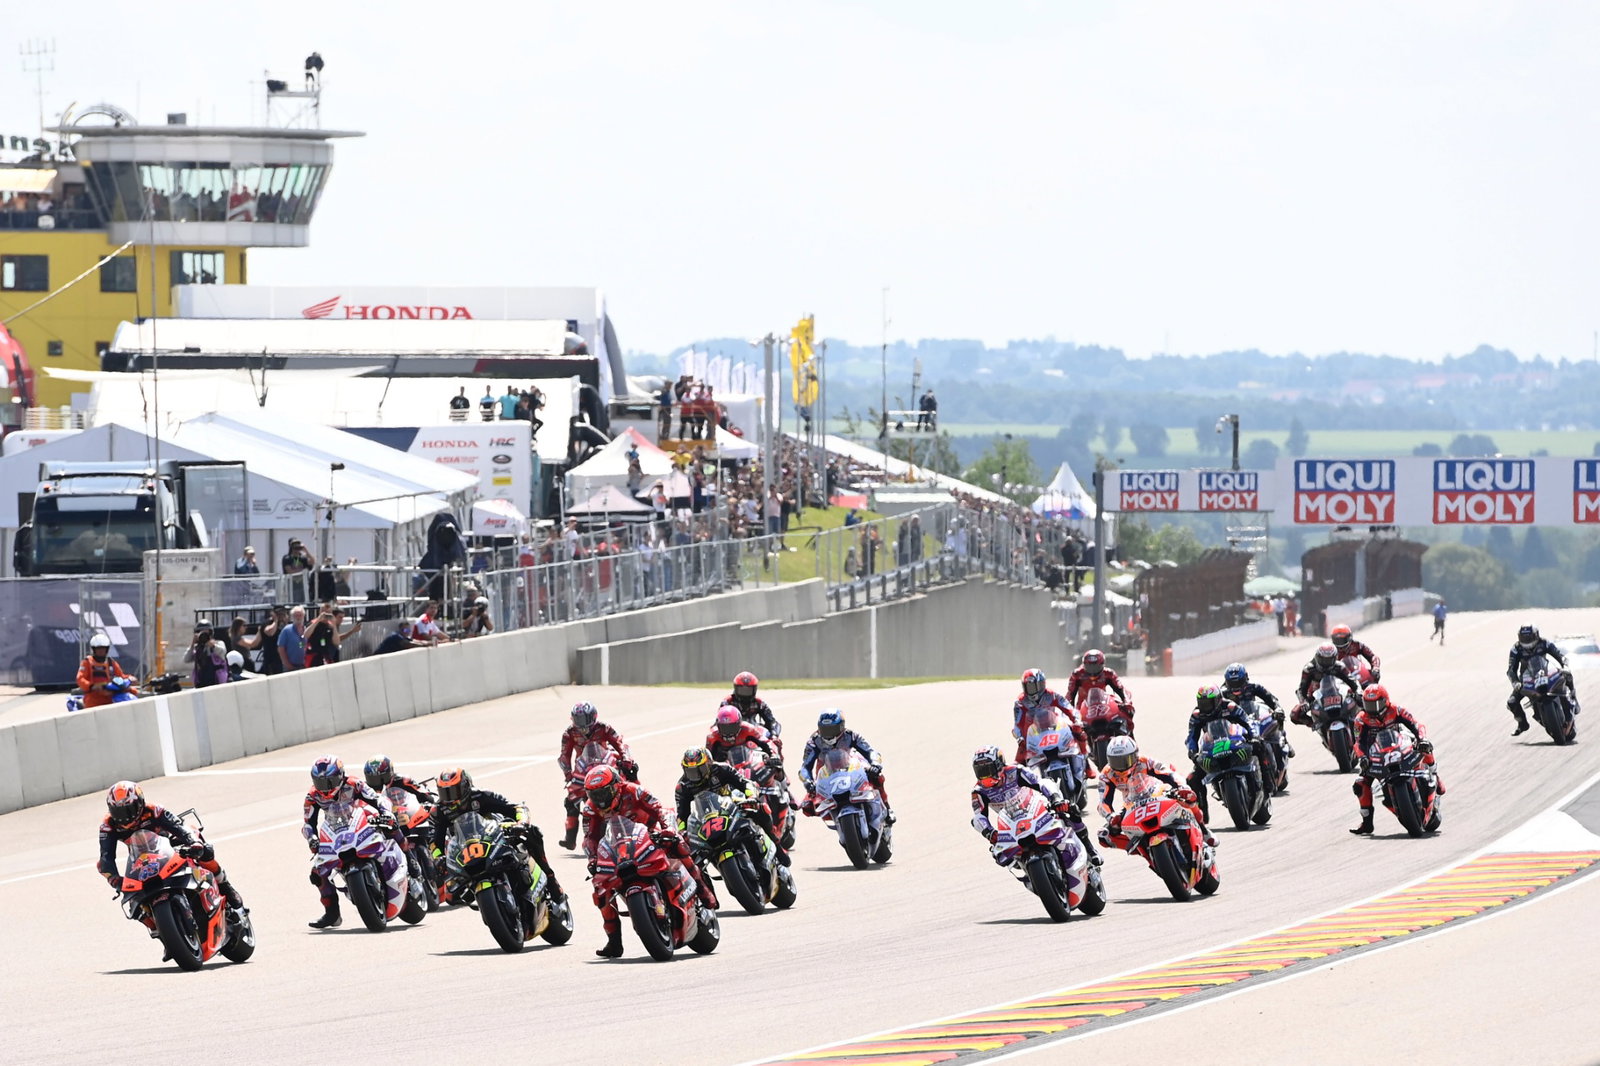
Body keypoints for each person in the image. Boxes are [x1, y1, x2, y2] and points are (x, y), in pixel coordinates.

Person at [582, 764, 718, 958]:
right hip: (619, 848)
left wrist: (668, 829)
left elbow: (660, 809)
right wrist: (592, 859)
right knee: (600, 890)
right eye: (595, 794)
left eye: (605, 792)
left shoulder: (634, 791)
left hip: (651, 834)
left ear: (616, 785)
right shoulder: (590, 809)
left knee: (678, 844)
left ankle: (703, 891)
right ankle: (614, 942)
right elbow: (590, 838)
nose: (600, 799)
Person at [301, 755, 417, 929]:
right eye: (320, 783)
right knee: (317, 873)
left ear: (340, 776)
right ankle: (332, 913)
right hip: (336, 831)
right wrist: (313, 839)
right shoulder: (312, 796)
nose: (325, 788)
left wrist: (386, 812)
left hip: (362, 819)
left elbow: (377, 799)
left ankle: (410, 857)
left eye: (329, 782)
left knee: (390, 825)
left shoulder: (354, 784)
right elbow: (308, 823)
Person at [97, 781, 246, 915]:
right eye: (119, 812)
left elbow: (179, 827)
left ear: (140, 803)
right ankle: (160, 932)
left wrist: (193, 842)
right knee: (133, 903)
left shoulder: (153, 810)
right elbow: (106, 858)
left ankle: (225, 885)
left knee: (201, 844)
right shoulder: (108, 826)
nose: (125, 817)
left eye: (129, 810)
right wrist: (115, 880)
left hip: (169, 845)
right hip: (141, 857)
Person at [971, 745, 1101, 867]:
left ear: (999, 765)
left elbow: (1041, 783)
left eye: (987, 770)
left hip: (1037, 808)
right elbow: (978, 817)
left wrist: (1056, 799)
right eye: (980, 771)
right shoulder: (978, 791)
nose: (984, 776)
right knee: (1001, 857)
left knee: (1069, 811)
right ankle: (1028, 874)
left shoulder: (1016, 771)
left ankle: (1089, 849)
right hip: (1011, 824)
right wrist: (990, 833)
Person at [1349, 684, 1443, 835]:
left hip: (1401, 745)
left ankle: (1435, 775)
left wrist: (1422, 739)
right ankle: (1367, 823)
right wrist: (1363, 758)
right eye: (1368, 704)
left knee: (1424, 746)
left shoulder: (1396, 710)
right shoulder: (1361, 719)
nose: (1372, 708)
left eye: (1376, 704)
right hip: (1377, 755)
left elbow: (1416, 725)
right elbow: (1358, 742)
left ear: (1385, 701)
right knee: (1360, 784)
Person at [1096, 736, 1217, 850]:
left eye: (1125, 760)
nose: (1120, 766)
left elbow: (1169, 774)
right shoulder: (1106, 774)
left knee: (1187, 798)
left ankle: (1203, 830)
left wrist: (1182, 787)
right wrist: (1111, 817)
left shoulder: (1144, 761)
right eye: (1115, 761)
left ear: (1135, 755)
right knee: (1104, 836)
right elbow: (1103, 803)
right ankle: (1142, 848)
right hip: (1131, 803)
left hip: (1157, 791)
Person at [674, 747, 789, 865]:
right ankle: (703, 882)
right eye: (690, 771)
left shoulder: (722, 769)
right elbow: (682, 815)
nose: (695, 775)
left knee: (759, 809)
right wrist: (682, 832)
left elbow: (744, 783)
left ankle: (776, 845)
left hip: (731, 803)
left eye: (700, 769)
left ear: (709, 764)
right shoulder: (682, 786)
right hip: (706, 818)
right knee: (690, 852)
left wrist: (751, 797)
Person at [557, 702, 638, 849]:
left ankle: (639, 813)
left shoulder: (603, 727)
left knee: (630, 775)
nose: (581, 724)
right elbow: (564, 755)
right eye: (578, 719)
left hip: (605, 765)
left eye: (584, 719)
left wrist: (625, 758)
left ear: (593, 717)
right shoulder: (569, 733)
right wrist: (568, 773)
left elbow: (618, 742)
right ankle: (570, 838)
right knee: (570, 800)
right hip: (583, 769)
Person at [1182, 684, 1266, 820]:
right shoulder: (1197, 715)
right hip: (1212, 748)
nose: (1205, 706)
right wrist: (1193, 752)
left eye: (1208, 703)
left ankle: (1267, 784)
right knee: (1193, 779)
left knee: (1259, 748)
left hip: (1234, 741)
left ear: (1217, 700)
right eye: (1202, 703)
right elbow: (1192, 736)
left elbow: (1247, 722)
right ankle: (1201, 816)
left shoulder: (1230, 707)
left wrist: (1254, 736)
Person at [797, 710, 894, 821]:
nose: (829, 734)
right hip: (826, 773)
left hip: (851, 766)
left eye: (832, 729)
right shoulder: (814, 741)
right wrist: (808, 781)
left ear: (842, 727)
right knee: (809, 804)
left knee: (877, 776)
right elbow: (805, 767)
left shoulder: (851, 735)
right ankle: (836, 821)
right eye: (825, 729)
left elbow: (870, 751)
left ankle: (887, 808)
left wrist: (875, 764)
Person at [1505, 623, 1580, 735]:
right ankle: (1522, 724)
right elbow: (1511, 670)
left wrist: (1564, 665)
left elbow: (1559, 655)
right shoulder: (1516, 649)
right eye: (1523, 638)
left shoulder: (1544, 643)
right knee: (1511, 702)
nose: (1526, 640)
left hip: (1546, 673)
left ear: (1536, 635)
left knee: (1567, 675)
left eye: (1528, 637)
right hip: (1527, 680)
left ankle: (1574, 697)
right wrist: (1515, 682)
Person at [1012, 668, 1091, 767]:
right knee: (1019, 756)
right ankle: (1021, 776)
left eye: (1036, 686)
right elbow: (1017, 723)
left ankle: (1086, 763)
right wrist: (1020, 738)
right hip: (1032, 730)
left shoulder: (1051, 695)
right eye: (1029, 687)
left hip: (1052, 723)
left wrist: (1076, 720)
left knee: (1077, 730)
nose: (1033, 690)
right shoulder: (1020, 702)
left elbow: (1067, 707)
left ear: (1043, 684)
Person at [1221, 662, 1293, 758]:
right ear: (1226, 682)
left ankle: (1284, 740)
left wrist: (1277, 708)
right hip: (1233, 724)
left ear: (1246, 678)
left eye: (1238, 682)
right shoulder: (1222, 693)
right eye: (1232, 683)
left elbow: (1270, 698)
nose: (1236, 686)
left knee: (1276, 718)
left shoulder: (1254, 687)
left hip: (1253, 718)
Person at [1291, 642, 1361, 725]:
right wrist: (1303, 702)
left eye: (1329, 660)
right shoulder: (1309, 669)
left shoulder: (1340, 666)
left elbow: (1353, 681)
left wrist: (1358, 692)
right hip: (1315, 696)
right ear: (1317, 657)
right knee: (1295, 714)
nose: (1326, 663)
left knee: (1362, 700)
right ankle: (1316, 724)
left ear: (1335, 658)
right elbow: (1301, 689)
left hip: (1338, 692)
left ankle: (1361, 723)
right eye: (1323, 660)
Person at [725, 671, 783, 752]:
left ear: (754, 690)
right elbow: (720, 720)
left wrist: (774, 736)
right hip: (733, 733)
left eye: (748, 691)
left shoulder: (759, 702)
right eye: (742, 690)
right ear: (736, 688)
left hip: (754, 731)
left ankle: (775, 759)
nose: (745, 694)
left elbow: (772, 721)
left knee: (774, 742)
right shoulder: (728, 702)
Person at [1064, 649, 1136, 711]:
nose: (1092, 671)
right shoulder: (1077, 674)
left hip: (1103, 708)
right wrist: (1069, 710)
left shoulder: (1109, 673)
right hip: (1082, 710)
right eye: (1089, 667)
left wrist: (1127, 702)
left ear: (1102, 664)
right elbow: (1070, 694)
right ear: (1084, 665)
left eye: (1096, 667)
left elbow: (1121, 689)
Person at [706, 704, 781, 763]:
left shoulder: (748, 729)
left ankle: (783, 780)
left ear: (739, 724)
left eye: (732, 727)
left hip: (749, 762)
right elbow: (707, 757)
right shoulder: (713, 736)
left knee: (775, 766)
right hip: (726, 767)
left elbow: (766, 742)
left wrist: (773, 754)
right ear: (718, 726)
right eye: (724, 728)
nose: (728, 732)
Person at [77, 632, 130, 709]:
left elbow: (121, 676)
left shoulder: (111, 662)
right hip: (93, 699)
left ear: (107, 649)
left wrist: (130, 678)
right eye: (98, 649)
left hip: (110, 698)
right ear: (94, 649)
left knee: (133, 692)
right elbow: (80, 678)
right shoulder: (87, 662)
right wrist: (92, 686)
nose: (101, 651)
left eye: (103, 648)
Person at [277, 606, 307, 671]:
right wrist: (287, 664)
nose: (298, 617)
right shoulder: (286, 630)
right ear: (292, 617)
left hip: (305, 666)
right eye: (296, 615)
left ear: (303, 616)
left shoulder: (307, 630)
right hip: (290, 667)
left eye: (300, 615)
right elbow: (281, 649)